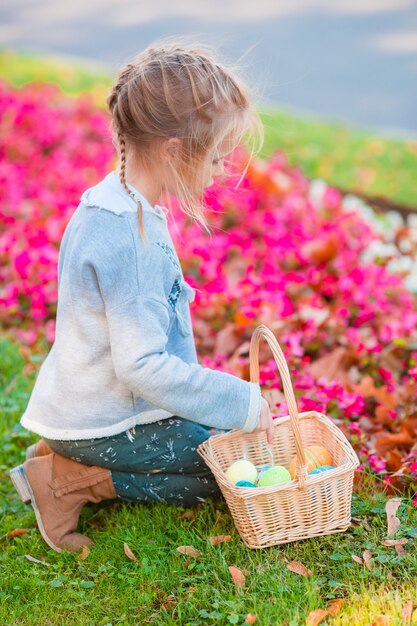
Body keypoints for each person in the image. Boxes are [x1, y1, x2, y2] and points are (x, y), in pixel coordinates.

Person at [9, 38, 274, 554]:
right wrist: (240, 400)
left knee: (230, 448)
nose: (222, 170)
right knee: (226, 473)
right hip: (102, 420)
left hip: (89, 408)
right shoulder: (132, 240)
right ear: (174, 149)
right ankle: (69, 480)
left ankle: (65, 454)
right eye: (217, 158)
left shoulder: (110, 203)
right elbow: (141, 366)